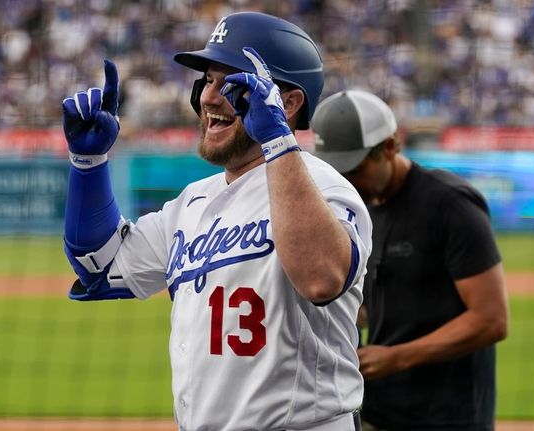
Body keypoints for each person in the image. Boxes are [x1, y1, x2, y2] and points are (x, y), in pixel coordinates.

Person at [60, 12, 372, 431]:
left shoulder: (325, 188)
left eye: (233, 84)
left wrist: (278, 140)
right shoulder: (193, 202)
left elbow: (321, 278)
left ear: (289, 103)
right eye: (207, 81)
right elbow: (99, 265)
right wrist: (88, 164)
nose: (210, 97)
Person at [311, 89, 509, 431]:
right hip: (378, 408)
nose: (346, 182)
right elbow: (384, 300)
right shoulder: (359, 210)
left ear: (389, 147)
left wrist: (395, 357)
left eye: (355, 169)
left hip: (448, 415)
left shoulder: (450, 204)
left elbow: (491, 319)